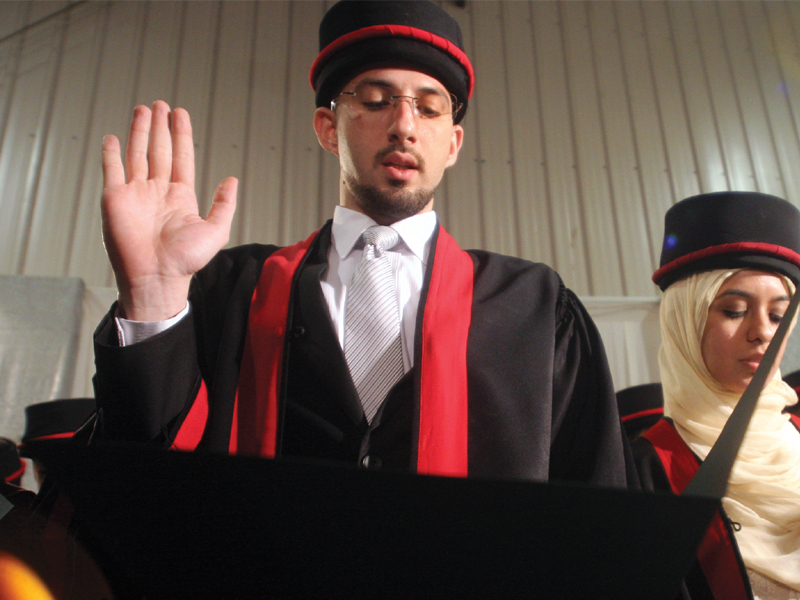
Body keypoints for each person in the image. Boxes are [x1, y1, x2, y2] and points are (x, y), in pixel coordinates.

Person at [92, 0, 634, 486]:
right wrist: (153, 292)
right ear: (329, 128)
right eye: (376, 100)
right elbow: (143, 468)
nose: (404, 125)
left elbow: (594, 504)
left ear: (453, 143)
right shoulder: (233, 290)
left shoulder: (534, 307)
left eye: (429, 107)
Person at [632, 191, 800, 599]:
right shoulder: (646, 469)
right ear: (684, 321)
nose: (763, 332)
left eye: (779, 315)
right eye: (734, 310)